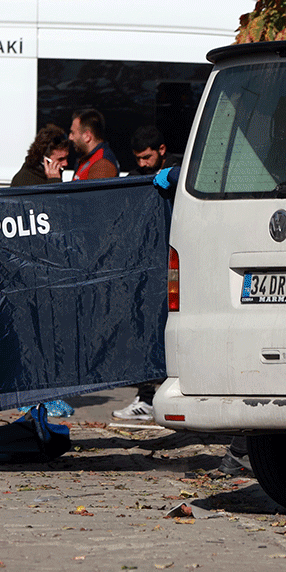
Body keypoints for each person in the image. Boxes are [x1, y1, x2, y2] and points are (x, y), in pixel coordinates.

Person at [113, 125, 183, 422]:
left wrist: (176, 175)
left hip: (175, 263)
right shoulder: (137, 179)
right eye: (138, 158)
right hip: (147, 268)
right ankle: (146, 397)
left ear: (162, 151)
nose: (142, 163)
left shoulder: (181, 168)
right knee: (146, 330)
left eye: (146, 157)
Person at [69, 109, 119, 180]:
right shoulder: (86, 158)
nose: (70, 137)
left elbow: (94, 191)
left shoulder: (102, 165)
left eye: (73, 133)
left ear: (87, 136)